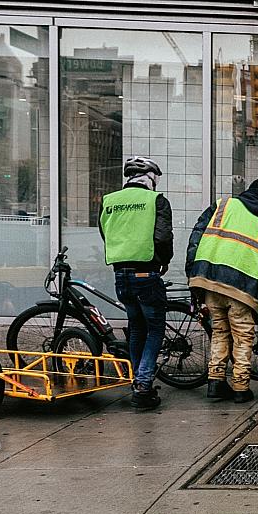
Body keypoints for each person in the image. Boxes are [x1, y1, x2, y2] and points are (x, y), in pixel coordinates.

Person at [186, 177, 258, 404]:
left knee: (220, 332)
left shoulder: (222, 205)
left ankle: (215, 382)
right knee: (243, 336)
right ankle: (241, 387)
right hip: (241, 287)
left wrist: (192, 272)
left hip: (211, 281)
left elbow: (195, 238)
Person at [98, 156, 172, 411]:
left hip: (121, 274)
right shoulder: (156, 200)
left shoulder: (110, 200)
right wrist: (164, 261)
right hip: (146, 272)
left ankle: (139, 381)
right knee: (154, 328)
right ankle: (142, 384)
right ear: (150, 177)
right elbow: (162, 237)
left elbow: (105, 232)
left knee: (136, 327)